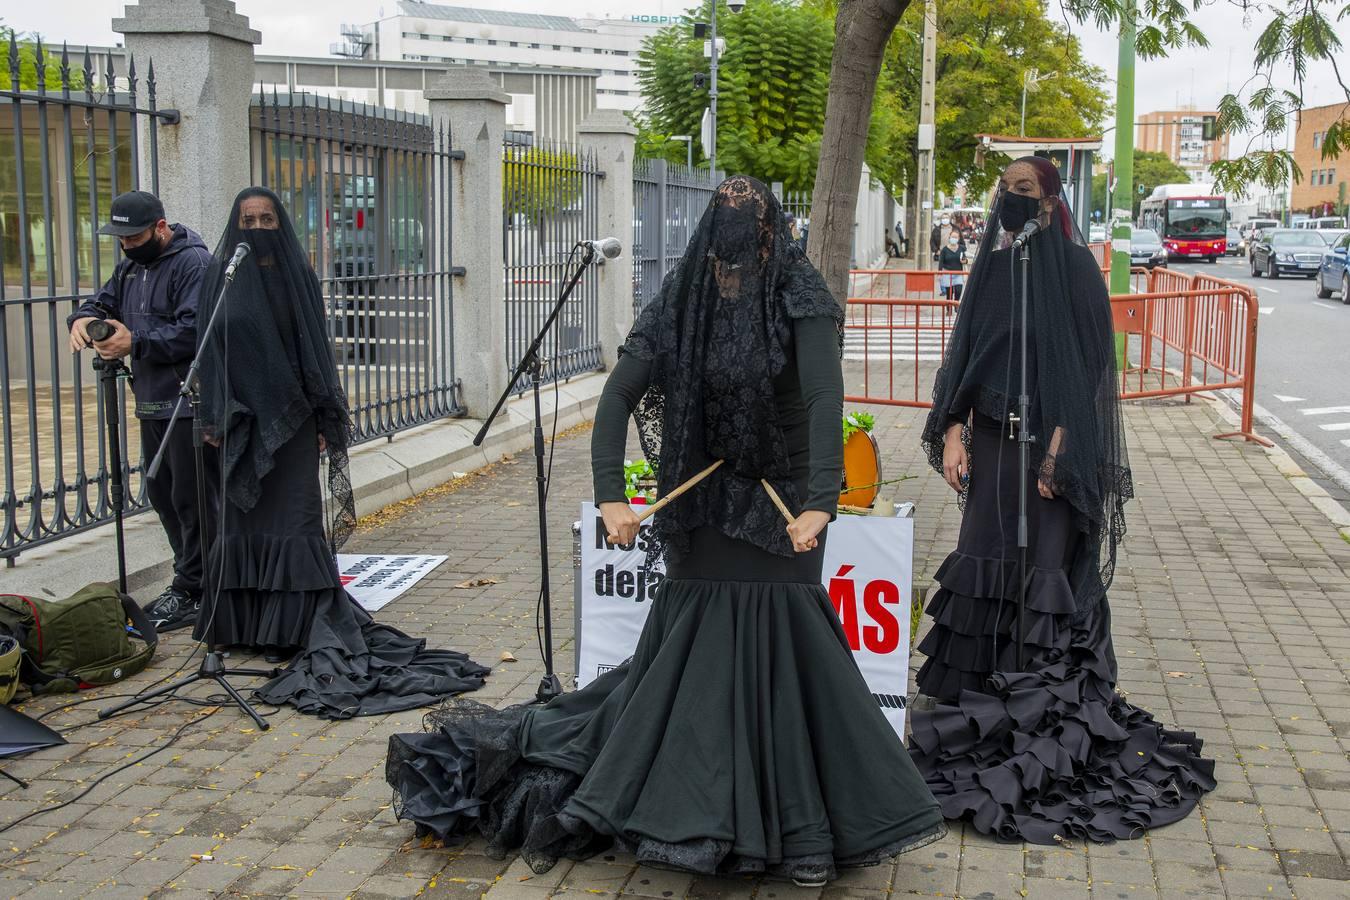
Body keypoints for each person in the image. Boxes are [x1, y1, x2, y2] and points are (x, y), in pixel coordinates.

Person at [386, 176, 946, 884]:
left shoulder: (801, 296)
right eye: (725, 247)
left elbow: (820, 394)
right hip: (701, 509)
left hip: (788, 510)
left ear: (773, 236)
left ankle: (804, 830)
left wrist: (821, 504)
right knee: (700, 659)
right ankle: (691, 809)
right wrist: (609, 496)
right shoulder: (679, 302)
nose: (736, 261)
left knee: (789, 650)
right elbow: (619, 395)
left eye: (750, 242)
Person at [909, 157, 1215, 843]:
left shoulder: (1077, 271)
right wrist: (955, 432)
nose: (1011, 201)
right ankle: (972, 694)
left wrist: (1061, 450)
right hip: (989, 444)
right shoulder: (990, 267)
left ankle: (1032, 689)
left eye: (1024, 191)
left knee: (1042, 564)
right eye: (1005, 191)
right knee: (980, 553)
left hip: (1046, 450)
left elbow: (1089, 369)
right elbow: (965, 363)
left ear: (1051, 200)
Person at [193, 186, 488, 714]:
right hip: (240, 422)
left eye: (266, 219)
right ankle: (241, 626)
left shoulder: (298, 277)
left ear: (279, 223)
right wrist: (214, 414)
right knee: (242, 524)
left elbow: (316, 355)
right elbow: (208, 349)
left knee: (296, 523)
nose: (256, 227)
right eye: (248, 219)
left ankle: (297, 625)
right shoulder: (222, 276)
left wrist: (324, 417)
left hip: (293, 422)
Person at [68, 190, 216, 632]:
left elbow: (197, 330)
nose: (128, 244)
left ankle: (196, 587)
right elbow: (102, 302)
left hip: (190, 402)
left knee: (193, 500)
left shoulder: (194, 264)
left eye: (135, 236)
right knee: (163, 495)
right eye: (121, 238)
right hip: (151, 400)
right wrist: (82, 317)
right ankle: (191, 579)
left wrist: (135, 341)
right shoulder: (132, 265)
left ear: (161, 227)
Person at [936, 232, 965, 300]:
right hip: (947, 274)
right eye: (952, 237)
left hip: (958, 273)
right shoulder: (944, 250)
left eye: (955, 237)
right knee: (949, 292)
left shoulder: (961, 248)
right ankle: (948, 308)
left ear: (958, 239)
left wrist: (964, 260)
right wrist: (940, 273)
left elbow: (965, 258)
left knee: (958, 290)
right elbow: (941, 262)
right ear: (949, 238)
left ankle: (956, 304)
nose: (954, 239)